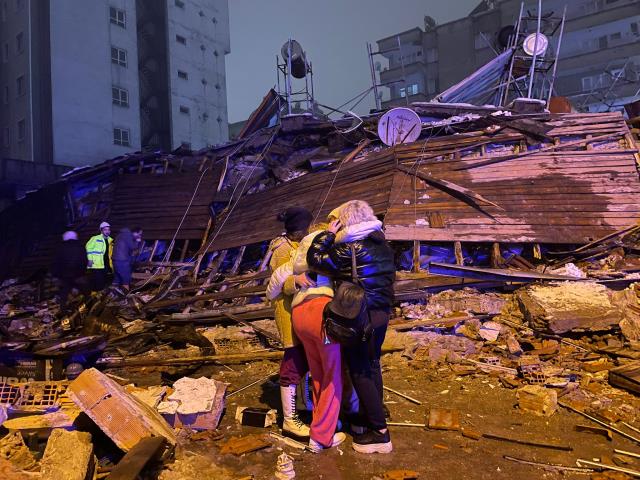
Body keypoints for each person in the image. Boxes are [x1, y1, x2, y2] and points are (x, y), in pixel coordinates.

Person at [307, 200, 396, 454]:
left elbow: (315, 259)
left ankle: (380, 434)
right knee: (372, 366)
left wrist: (328, 235)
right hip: (381, 313)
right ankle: (374, 418)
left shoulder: (349, 248)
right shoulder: (383, 245)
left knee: (360, 371)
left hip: (360, 316)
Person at [267, 224, 346, 451]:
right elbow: (273, 289)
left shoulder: (297, 254)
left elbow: (272, 286)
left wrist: (292, 280)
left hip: (300, 316)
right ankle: (320, 437)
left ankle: (322, 422)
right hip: (320, 313)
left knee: (318, 374)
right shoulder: (323, 252)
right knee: (330, 376)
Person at [268, 206, 314, 440]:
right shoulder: (282, 248)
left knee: (304, 360)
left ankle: (304, 405)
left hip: (302, 311)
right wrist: (297, 280)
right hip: (287, 312)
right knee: (293, 360)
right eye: (303, 230)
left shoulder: (298, 243)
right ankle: (289, 419)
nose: (305, 233)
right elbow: (279, 286)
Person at [51, 231, 88, 310]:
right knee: (83, 293)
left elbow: (56, 262)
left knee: (64, 295)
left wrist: (55, 275)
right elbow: (84, 261)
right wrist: (82, 273)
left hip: (65, 276)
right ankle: (84, 309)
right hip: (78, 275)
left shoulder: (60, 248)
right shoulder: (80, 247)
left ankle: (64, 312)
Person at [112, 227, 143, 291]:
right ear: (135, 233)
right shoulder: (127, 235)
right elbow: (133, 247)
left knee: (117, 278)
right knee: (126, 279)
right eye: (139, 234)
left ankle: (111, 295)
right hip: (122, 261)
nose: (140, 236)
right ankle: (125, 297)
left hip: (115, 260)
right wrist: (137, 241)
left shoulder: (121, 234)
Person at [86, 221, 114, 292]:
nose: (107, 231)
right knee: (98, 282)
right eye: (105, 229)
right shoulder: (95, 238)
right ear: (101, 230)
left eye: (108, 229)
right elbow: (88, 248)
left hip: (106, 265)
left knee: (104, 281)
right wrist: (90, 260)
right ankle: (95, 296)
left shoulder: (110, 240)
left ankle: (101, 295)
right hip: (96, 265)